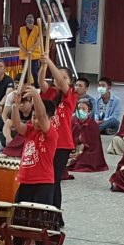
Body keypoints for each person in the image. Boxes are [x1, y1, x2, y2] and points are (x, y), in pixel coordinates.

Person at [38, 55, 76, 216]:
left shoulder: (71, 96)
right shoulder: (51, 93)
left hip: (62, 144)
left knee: (54, 179)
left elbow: (60, 80)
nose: (59, 79)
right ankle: (46, 211)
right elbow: (41, 82)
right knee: (45, 178)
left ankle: (54, 214)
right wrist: (43, 66)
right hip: (47, 142)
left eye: (64, 77)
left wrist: (49, 61)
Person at [13, 85, 58, 205]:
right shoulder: (29, 130)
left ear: (52, 119)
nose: (36, 121)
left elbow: (42, 115)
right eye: (33, 117)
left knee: (38, 219)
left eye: (38, 118)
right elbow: (17, 124)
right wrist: (15, 105)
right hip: (25, 180)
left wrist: (36, 95)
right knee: (19, 217)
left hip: (43, 182)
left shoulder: (51, 133)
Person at [67, 98, 108, 173]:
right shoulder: (72, 121)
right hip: (72, 149)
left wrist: (80, 152)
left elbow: (95, 147)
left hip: (87, 151)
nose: (80, 111)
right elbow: (67, 139)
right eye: (79, 108)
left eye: (84, 109)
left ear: (89, 112)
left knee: (84, 162)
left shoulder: (93, 125)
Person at [2, 91, 33, 158]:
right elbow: (7, 124)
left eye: (24, 102)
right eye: (20, 102)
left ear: (30, 102)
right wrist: (8, 137)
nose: (21, 105)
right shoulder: (14, 110)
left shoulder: (34, 112)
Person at [18, 14, 42, 85]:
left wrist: (31, 49)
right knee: (25, 71)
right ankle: (25, 84)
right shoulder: (21, 29)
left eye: (31, 18)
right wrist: (25, 51)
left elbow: (39, 41)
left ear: (33, 20)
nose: (29, 20)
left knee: (34, 71)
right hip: (24, 53)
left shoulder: (37, 29)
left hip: (34, 54)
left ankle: (36, 85)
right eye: (28, 18)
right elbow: (19, 41)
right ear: (25, 21)